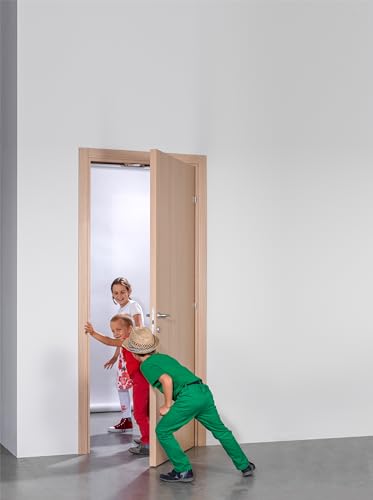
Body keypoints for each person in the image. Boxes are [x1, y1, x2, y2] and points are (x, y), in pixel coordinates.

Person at [123, 327, 256, 483]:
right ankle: (245, 465)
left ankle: (183, 470)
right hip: (202, 391)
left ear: (133, 352)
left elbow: (166, 380)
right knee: (221, 431)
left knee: (162, 430)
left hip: (188, 397)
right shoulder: (164, 357)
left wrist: (167, 405)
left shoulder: (146, 365)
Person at [85, 314, 150, 455]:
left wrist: (93, 333)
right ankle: (148, 438)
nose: (115, 333)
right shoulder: (133, 340)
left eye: (119, 330)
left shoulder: (128, 340)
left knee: (139, 413)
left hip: (141, 380)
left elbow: (108, 342)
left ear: (130, 329)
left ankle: (147, 444)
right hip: (142, 378)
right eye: (113, 330)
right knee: (145, 411)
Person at [104, 277, 144, 433]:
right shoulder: (121, 310)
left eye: (122, 292)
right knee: (122, 386)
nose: (119, 296)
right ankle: (126, 419)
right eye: (115, 293)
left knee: (138, 386)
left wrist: (135, 350)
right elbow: (120, 339)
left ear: (129, 291)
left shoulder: (133, 306)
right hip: (123, 354)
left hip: (133, 352)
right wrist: (115, 357)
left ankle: (142, 422)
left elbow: (139, 328)